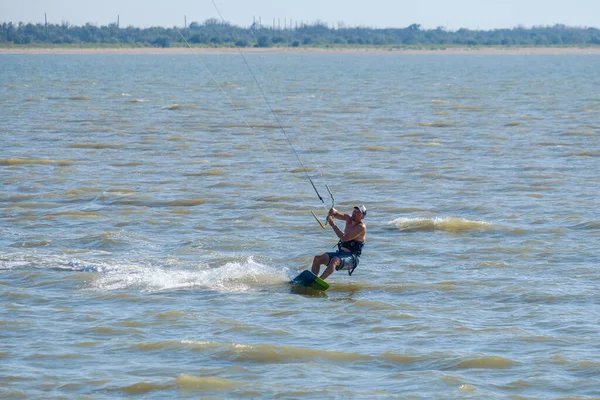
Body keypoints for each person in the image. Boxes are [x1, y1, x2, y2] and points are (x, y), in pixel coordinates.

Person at [311, 205, 367, 280]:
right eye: (354, 211)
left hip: (352, 258)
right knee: (317, 259)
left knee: (334, 260)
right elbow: (336, 213)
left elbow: (344, 239)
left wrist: (333, 225)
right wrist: (332, 212)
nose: (354, 213)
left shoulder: (361, 227)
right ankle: (311, 279)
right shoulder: (348, 218)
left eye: (358, 212)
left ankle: (318, 281)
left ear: (362, 217)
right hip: (340, 253)